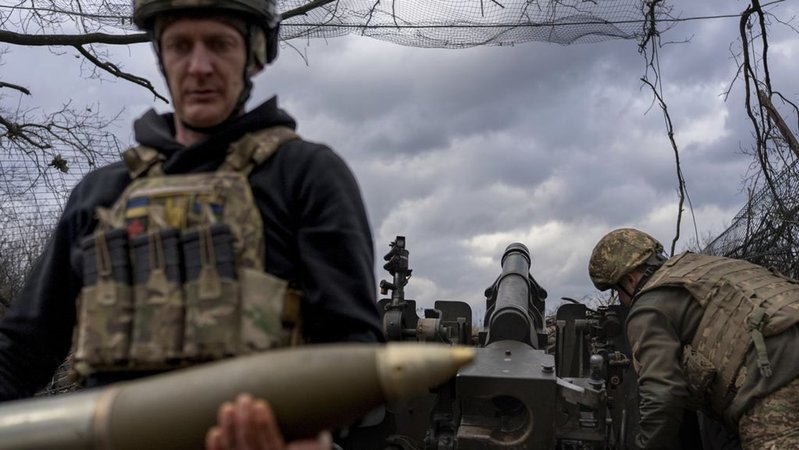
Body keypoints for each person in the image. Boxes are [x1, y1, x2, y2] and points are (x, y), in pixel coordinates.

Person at [0, 0, 383, 447]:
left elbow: (354, 353)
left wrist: (311, 433)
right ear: (161, 56)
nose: (199, 66)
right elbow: (21, 351)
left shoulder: (305, 175)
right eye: (180, 45)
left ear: (255, 54)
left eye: (219, 44)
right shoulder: (101, 194)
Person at [588, 228, 799, 450]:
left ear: (630, 280)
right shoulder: (709, 267)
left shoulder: (648, 307)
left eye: (617, 292)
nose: (621, 300)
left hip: (776, 382)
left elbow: (663, 397)